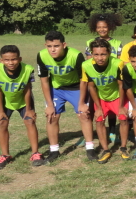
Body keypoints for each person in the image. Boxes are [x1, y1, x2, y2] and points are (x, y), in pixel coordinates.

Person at [37, 31, 92, 163]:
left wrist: (82, 103)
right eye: (49, 46)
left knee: (84, 114)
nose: (52, 49)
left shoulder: (75, 55)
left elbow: (83, 80)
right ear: (45, 46)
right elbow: (44, 81)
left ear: (64, 45)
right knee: (52, 116)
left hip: (76, 87)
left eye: (56, 46)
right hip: (56, 88)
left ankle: (90, 149)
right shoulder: (42, 55)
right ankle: (54, 151)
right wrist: (49, 105)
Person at [0, 45, 45, 170]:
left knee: (29, 121)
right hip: (6, 101)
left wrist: (29, 109)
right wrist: (0, 111)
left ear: (20, 59)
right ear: (1, 60)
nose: (11, 62)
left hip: (23, 100)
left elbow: (28, 89)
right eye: (7, 60)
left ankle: (35, 153)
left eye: (14, 59)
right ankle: (5, 155)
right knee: (1, 123)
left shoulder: (27, 69)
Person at [80, 39, 128, 164]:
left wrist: (121, 105)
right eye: (96, 54)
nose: (100, 58)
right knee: (99, 120)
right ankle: (106, 150)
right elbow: (91, 87)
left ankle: (123, 148)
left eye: (103, 54)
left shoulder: (118, 64)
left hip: (117, 97)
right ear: (92, 54)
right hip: (101, 98)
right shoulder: (86, 66)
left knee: (123, 118)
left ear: (109, 53)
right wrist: (98, 107)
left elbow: (121, 85)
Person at [84, 13, 123, 144]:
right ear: (95, 28)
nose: (102, 29)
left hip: (112, 78)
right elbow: (90, 63)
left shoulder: (117, 43)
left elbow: (118, 61)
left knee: (113, 108)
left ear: (110, 27)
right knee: (94, 107)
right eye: (99, 27)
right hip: (97, 80)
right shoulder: (90, 43)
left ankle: (112, 131)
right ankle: (90, 134)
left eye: (105, 27)